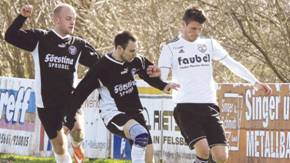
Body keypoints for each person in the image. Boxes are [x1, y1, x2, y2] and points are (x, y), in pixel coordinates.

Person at [158, 7, 272, 163]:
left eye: (199, 29)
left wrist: (255, 82)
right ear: (182, 25)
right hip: (185, 107)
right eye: (193, 28)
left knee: (221, 156)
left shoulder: (209, 44)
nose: (196, 32)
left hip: (209, 106)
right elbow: (161, 77)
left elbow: (232, 63)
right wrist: (165, 84)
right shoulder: (170, 48)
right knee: (203, 151)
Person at [4, 3, 101, 163]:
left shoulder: (78, 45)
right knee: (60, 145)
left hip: (70, 100)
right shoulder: (40, 39)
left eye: (74, 19)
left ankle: (77, 144)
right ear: (56, 20)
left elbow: (100, 64)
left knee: (77, 131)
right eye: (68, 18)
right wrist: (22, 17)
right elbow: (10, 36)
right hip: (46, 104)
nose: (72, 22)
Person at [65, 31, 179, 163]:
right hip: (114, 113)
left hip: (135, 112)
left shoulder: (135, 60)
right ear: (119, 49)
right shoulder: (101, 68)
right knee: (141, 135)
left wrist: (163, 85)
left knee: (149, 156)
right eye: (131, 51)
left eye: (136, 51)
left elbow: (147, 73)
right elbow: (79, 94)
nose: (134, 54)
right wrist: (69, 121)